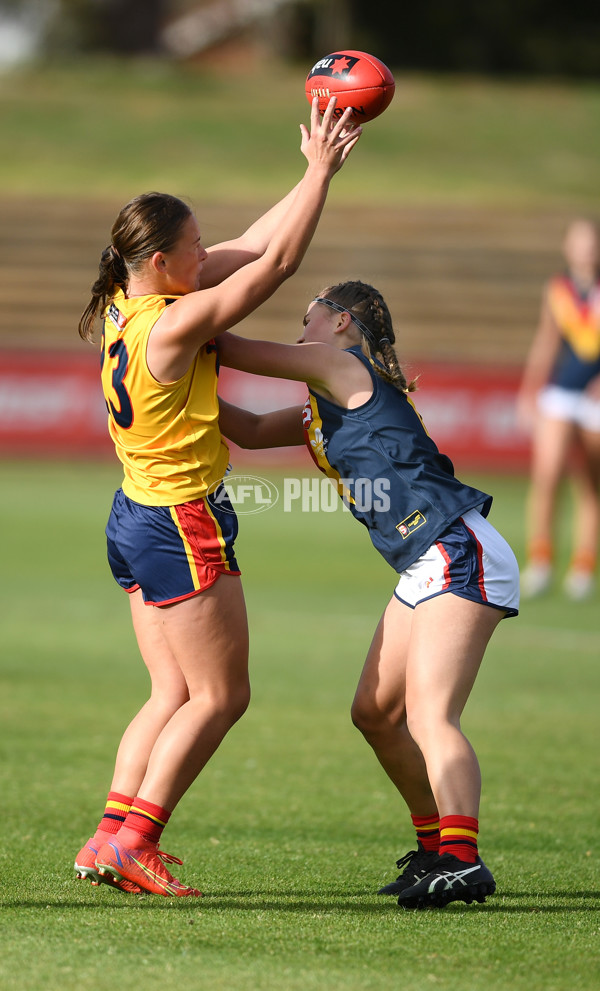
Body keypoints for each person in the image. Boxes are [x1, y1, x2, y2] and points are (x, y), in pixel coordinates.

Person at [73, 98, 361, 898]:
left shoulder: (131, 309)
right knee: (223, 694)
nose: (209, 251)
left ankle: (108, 835)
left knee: (173, 691)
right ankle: (139, 841)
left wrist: (308, 176)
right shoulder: (173, 324)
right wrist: (321, 175)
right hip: (180, 520)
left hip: (134, 515)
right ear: (163, 260)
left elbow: (252, 244)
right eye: (196, 245)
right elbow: (275, 268)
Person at [216, 279, 520, 909]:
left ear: (343, 322)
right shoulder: (321, 405)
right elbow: (243, 428)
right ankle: (437, 847)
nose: (301, 328)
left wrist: (161, 331)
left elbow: (234, 347)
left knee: (431, 716)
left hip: (454, 545)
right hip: (424, 560)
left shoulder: (340, 365)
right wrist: (164, 391)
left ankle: (463, 861)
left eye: (310, 316)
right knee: (375, 714)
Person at [518, 218, 600, 601]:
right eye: (580, 242)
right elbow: (547, 340)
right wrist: (530, 388)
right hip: (562, 392)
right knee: (547, 474)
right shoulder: (558, 288)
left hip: (597, 398)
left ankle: (583, 567)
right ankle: (541, 560)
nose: (587, 249)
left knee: (590, 484)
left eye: (593, 242)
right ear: (568, 247)